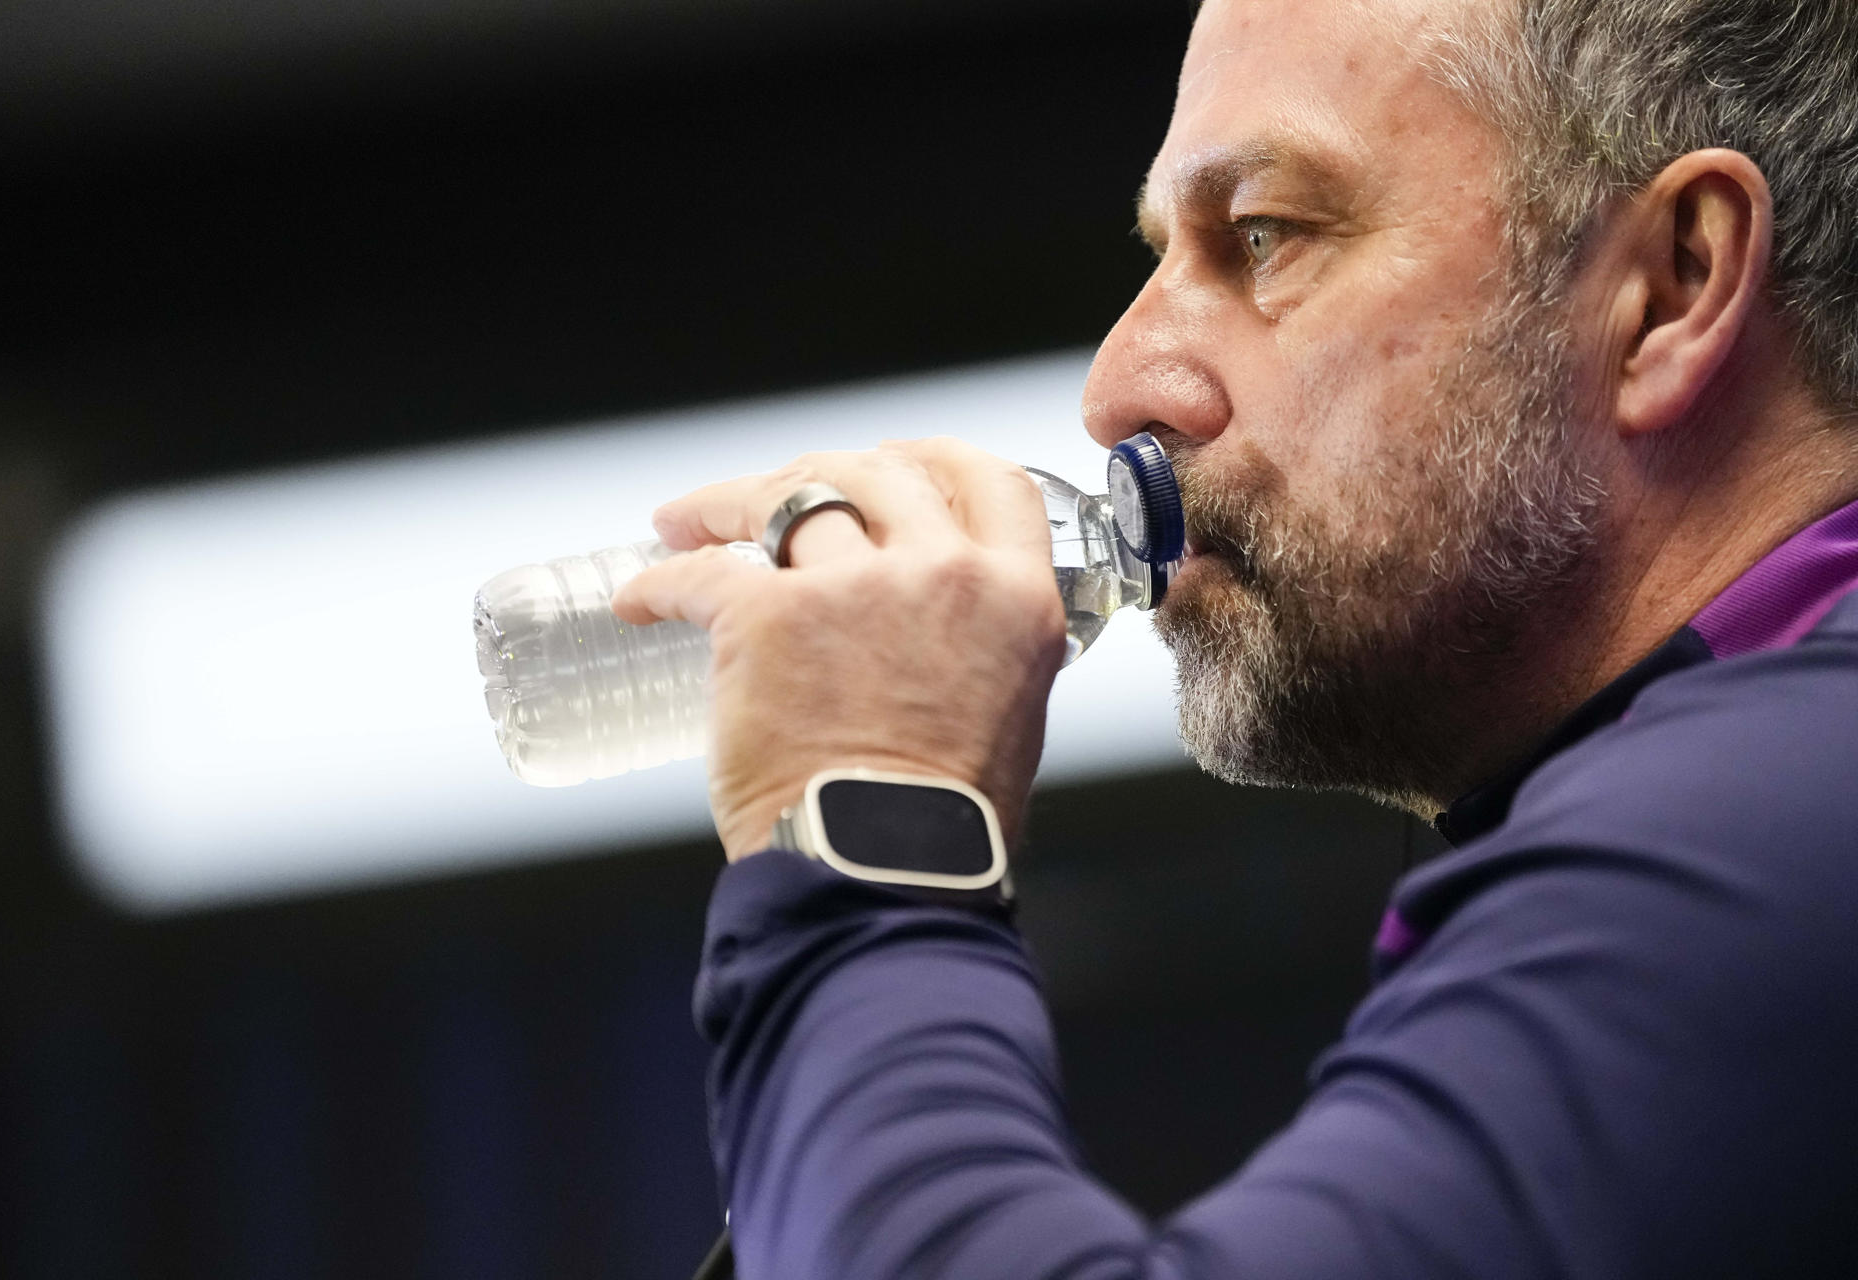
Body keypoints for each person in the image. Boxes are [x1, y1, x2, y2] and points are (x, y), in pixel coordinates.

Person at [611, 0, 1858, 1273]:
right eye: (1164, 254)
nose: (1119, 387)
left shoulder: (1780, 815)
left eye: (1263, 234)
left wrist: (873, 825)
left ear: (1668, 285)